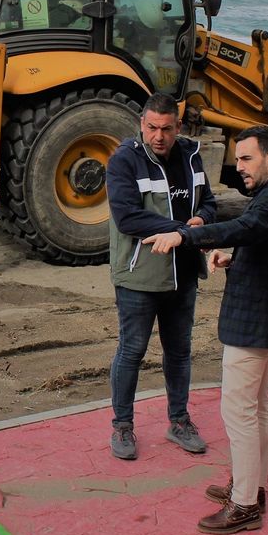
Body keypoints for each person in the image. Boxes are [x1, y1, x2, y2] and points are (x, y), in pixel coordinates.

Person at [144, 124, 268, 534]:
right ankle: (252, 487)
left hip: (254, 321)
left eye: (248, 160)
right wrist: (234, 262)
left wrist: (185, 234)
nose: (241, 169)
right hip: (262, 315)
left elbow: (245, 230)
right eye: (239, 161)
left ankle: (245, 504)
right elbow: (261, 246)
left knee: (238, 412)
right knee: (256, 410)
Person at [105, 93, 217, 460]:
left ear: (178, 127)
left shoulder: (191, 156)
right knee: (132, 350)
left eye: (166, 129)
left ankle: (179, 421)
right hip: (140, 276)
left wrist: (201, 220)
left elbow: (210, 203)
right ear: (142, 124)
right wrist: (184, 231)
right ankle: (122, 426)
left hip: (184, 274)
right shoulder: (124, 161)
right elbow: (128, 218)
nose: (159, 136)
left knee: (180, 351)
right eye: (152, 128)